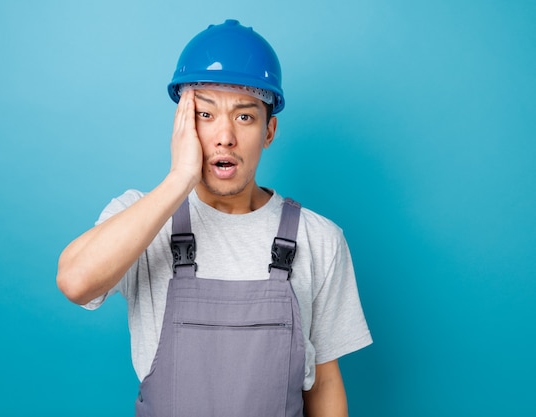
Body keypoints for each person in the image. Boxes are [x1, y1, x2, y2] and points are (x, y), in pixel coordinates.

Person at [57, 19, 372, 417]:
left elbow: (324, 383)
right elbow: (74, 282)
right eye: (205, 115)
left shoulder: (318, 238)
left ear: (269, 130)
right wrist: (179, 180)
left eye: (244, 117)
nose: (224, 136)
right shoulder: (141, 219)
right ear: (182, 125)